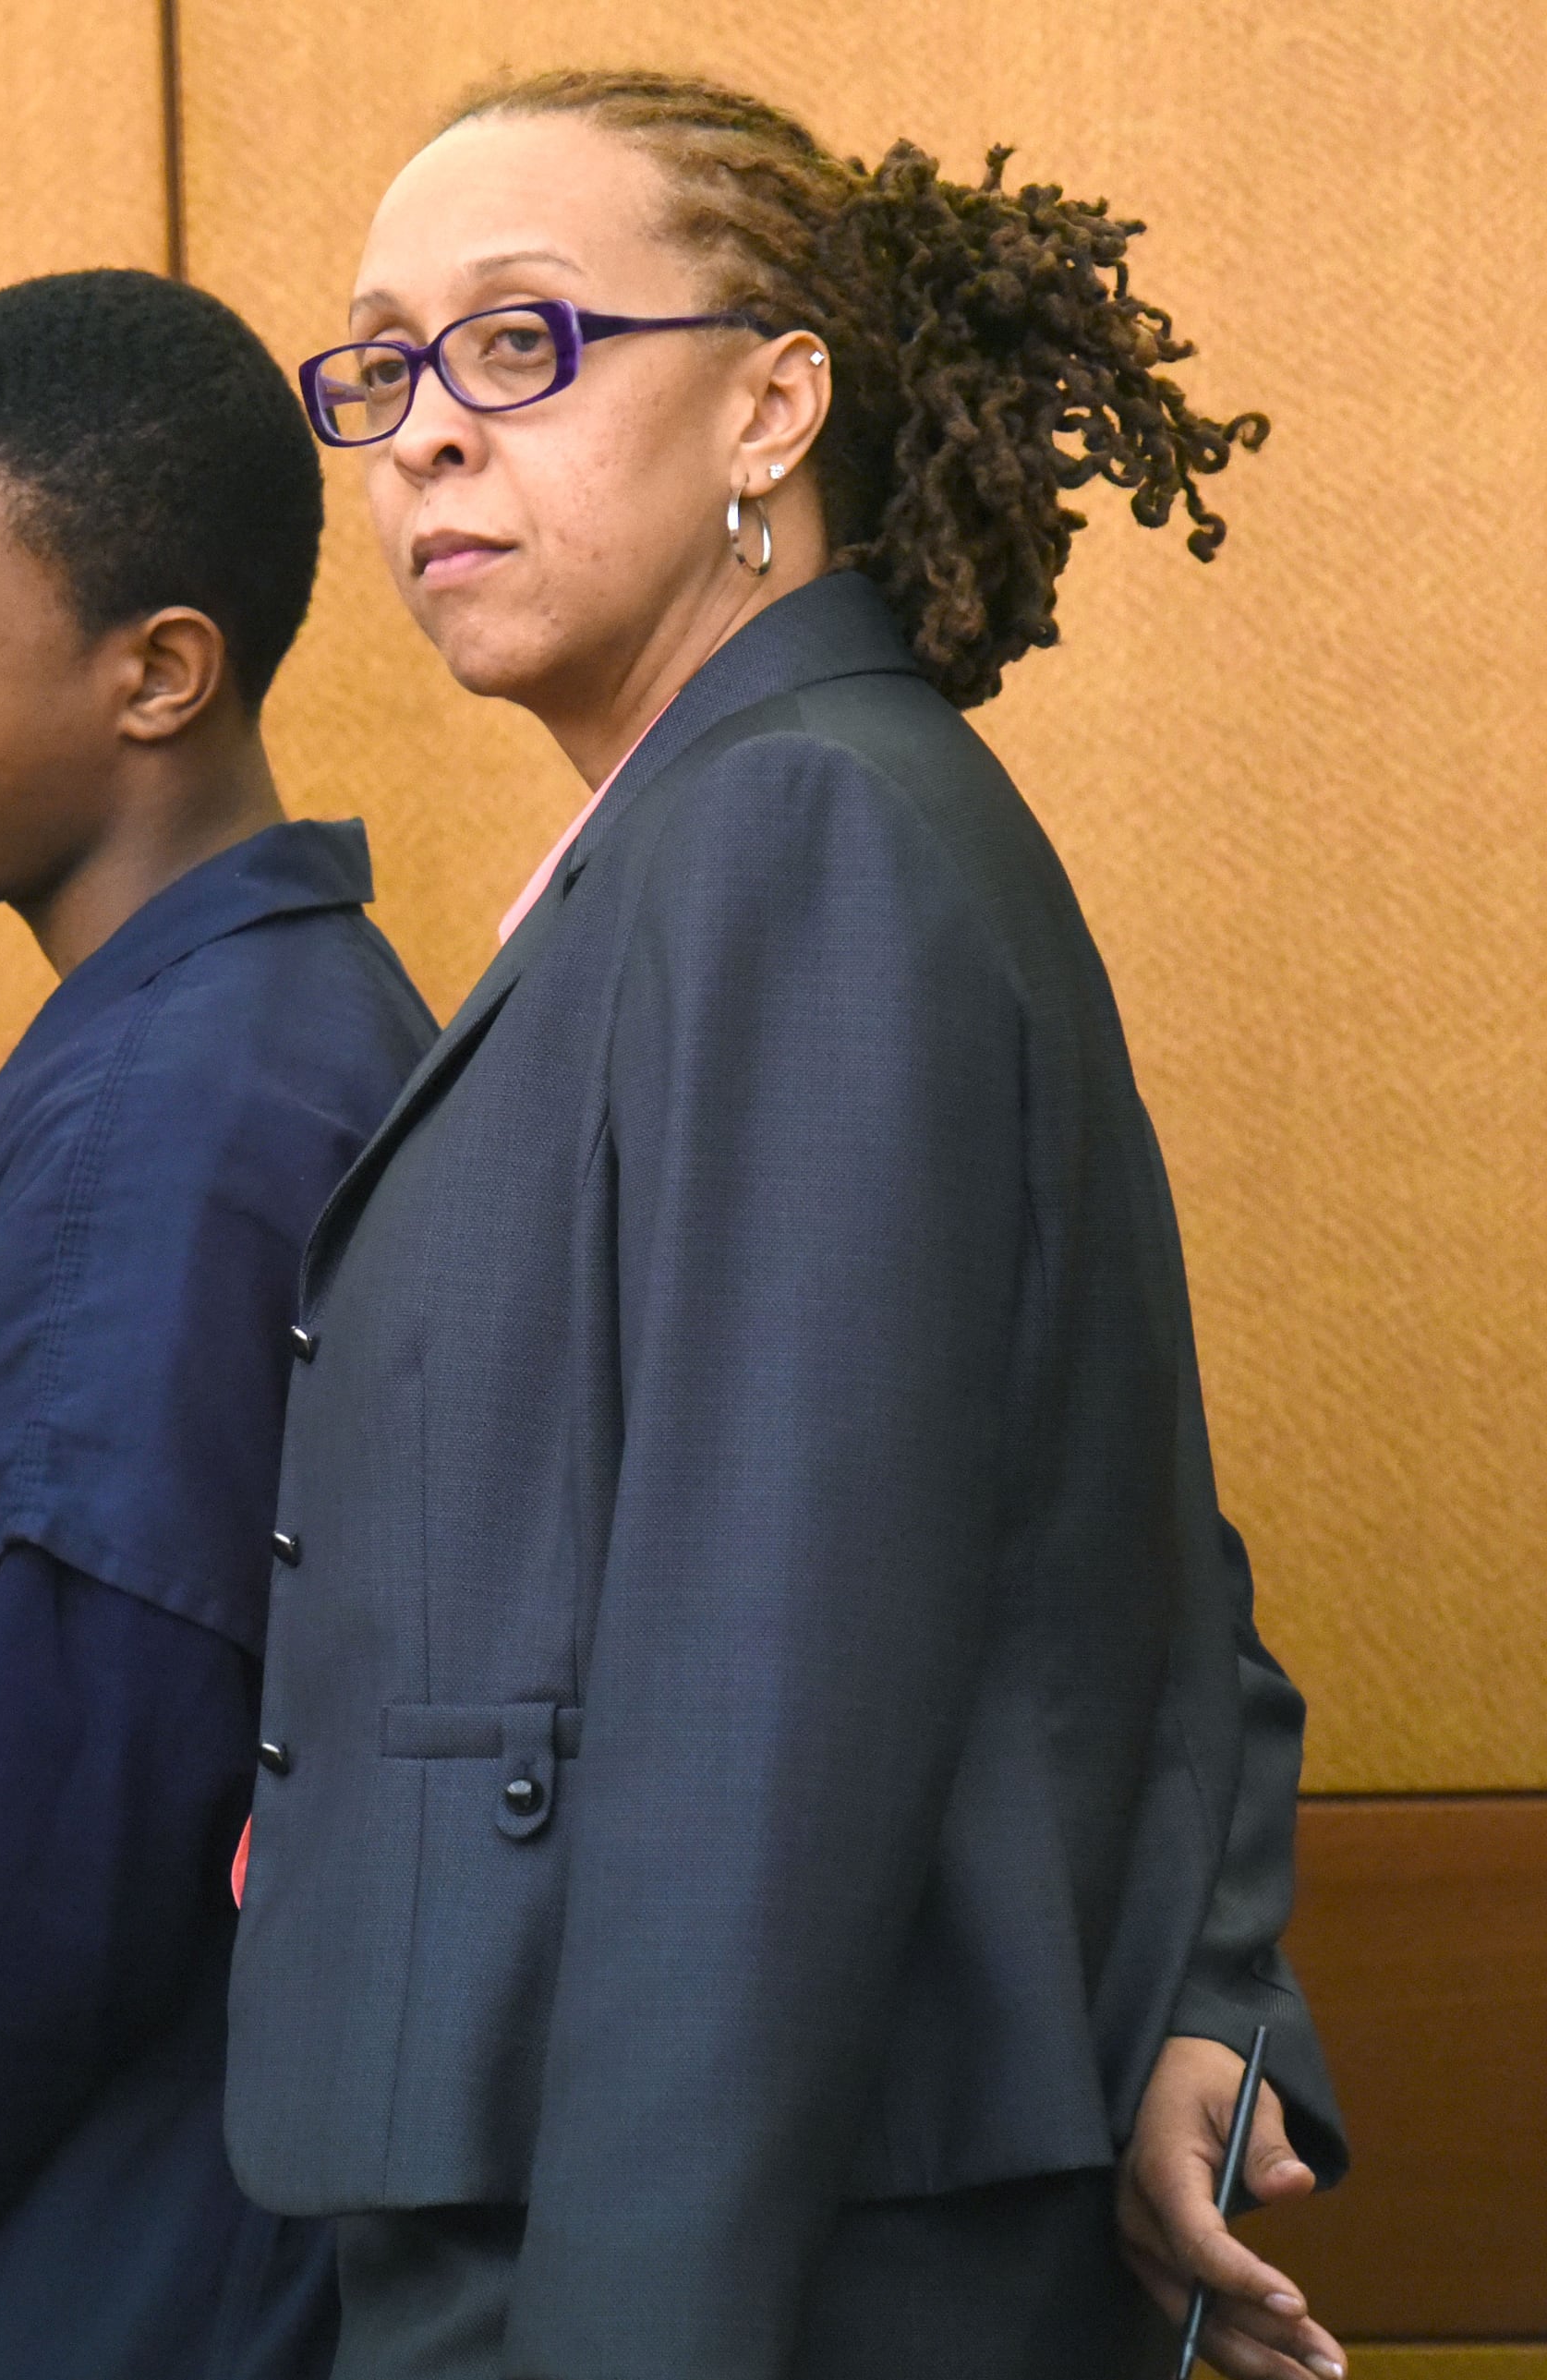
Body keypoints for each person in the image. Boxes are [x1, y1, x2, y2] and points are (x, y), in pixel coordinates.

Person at [224, 72, 1348, 2380]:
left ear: (771, 403)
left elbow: (758, 1713)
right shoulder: (737, 823)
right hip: (613, 2201)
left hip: (695, 2261)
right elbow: (1123, 1533)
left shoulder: (794, 838)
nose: (424, 434)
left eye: (520, 343)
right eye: (380, 368)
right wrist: (1213, 1982)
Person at [0, 270, 442, 2380]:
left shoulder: (183, 1117)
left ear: (159, 674)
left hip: (117, 2278)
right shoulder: (280, 1028)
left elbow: (34, 1857)